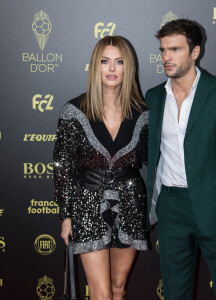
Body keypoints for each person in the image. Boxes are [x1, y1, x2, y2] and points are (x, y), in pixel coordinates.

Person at [146, 19, 216, 300]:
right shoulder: (154, 97)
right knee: (174, 293)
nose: (167, 57)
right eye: (163, 50)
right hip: (171, 208)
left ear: (195, 52)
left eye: (176, 49)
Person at [53, 35, 148, 300]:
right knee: (101, 293)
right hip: (87, 205)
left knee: (118, 288)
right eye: (105, 61)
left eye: (119, 62)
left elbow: (156, 157)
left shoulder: (143, 113)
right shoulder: (74, 110)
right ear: (96, 66)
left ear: (128, 67)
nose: (112, 68)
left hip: (130, 203)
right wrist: (66, 216)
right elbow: (63, 167)